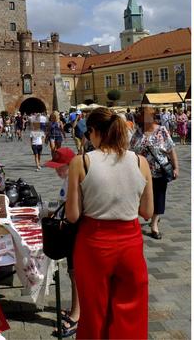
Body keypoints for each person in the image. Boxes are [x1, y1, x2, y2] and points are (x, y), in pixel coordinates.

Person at [65, 107, 153, 339]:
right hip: (130, 242)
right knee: (130, 311)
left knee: (94, 313)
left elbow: (72, 215)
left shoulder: (81, 162)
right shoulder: (140, 161)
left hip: (94, 242)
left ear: (93, 132)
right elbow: (147, 211)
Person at [44, 147, 80, 337]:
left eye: (60, 167)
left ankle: (76, 315)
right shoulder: (69, 178)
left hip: (76, 229)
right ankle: (76, 309)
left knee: (76, 273)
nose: (57, 170)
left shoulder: (75, 179)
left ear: (70, 164)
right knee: (72, 272)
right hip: (71, 227)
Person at [131, 106, 179, 239]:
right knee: (141, 197)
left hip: (159, 171)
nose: (144, 118)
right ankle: (147, 213)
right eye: (142, 115)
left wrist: (176, 168)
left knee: (159, 197)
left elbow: (171, 150)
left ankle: (154, 225)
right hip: (140, 173)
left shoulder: (161, 130)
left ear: (153, 117)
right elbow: (131, 151)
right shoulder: (138, 132)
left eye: (147, 116)